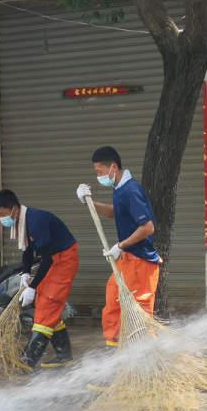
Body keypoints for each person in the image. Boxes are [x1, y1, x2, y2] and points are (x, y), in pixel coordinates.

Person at [76, 146, 160, 347]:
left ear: (113, 167)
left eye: (100, 171)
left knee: (139, 316)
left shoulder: (130, 190)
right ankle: (118, 357)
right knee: (113, 304)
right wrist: (89, 202)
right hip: (127, 260)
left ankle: (148, 366)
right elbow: (115, 212)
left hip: (141, 261)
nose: (98, 176)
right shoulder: (119, 188)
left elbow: (148, 227)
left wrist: (121, 246)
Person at [0, 190, 79, 368]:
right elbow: (28, 251)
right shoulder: (22, 222)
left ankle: (28, 360)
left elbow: (46, 258)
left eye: (2, 214)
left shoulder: (36, 221)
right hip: (54, 260)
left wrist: (33, 287)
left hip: (64, 259)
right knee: (44, 303)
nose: (2, 220)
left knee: (48, 304)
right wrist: (25, 273)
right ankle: (64, 355)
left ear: (14, 209)